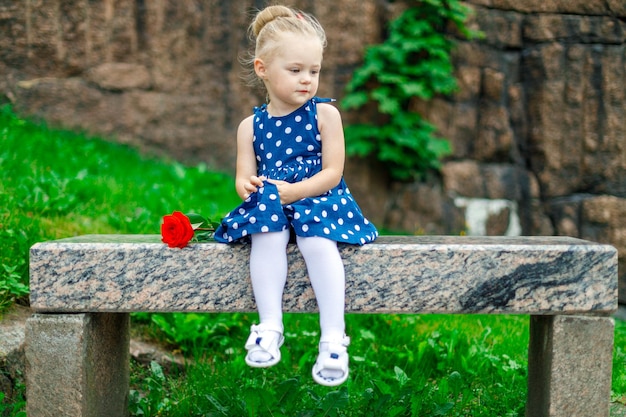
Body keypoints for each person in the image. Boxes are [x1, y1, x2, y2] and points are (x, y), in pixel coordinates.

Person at [214, 4, 378, 387]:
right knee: (265, 235)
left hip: (318, 198)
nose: (307, 80)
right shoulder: (250, 126)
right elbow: (243, 179)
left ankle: (333, 338)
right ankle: (269, 326)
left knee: (317, 241)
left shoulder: (324, 116)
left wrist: (296, 192)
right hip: (275, 201)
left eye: (314, 71)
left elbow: (333, 173)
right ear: (262, 69)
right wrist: (250, 187)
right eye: (296, 70)